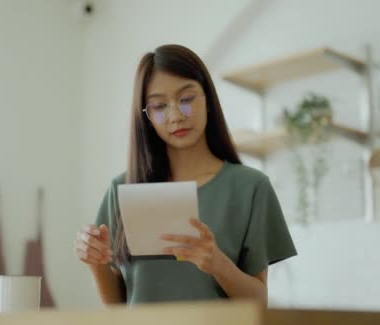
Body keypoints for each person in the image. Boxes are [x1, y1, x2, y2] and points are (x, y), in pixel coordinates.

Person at [74, 44, 296, 306]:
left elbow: (258, 303)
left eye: (187, 99)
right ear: (146, 117)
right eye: (159, 106)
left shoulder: (251, 187)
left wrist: (217, 263)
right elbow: (118, 309)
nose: (176, 116)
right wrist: (95, 264)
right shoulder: (122, 189)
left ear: (208, 99)